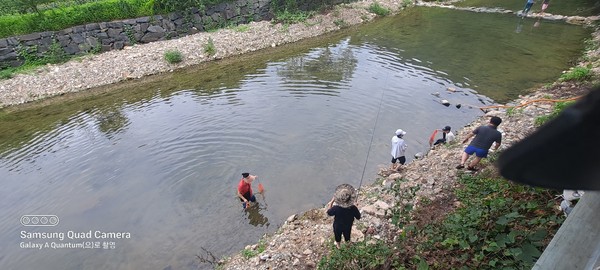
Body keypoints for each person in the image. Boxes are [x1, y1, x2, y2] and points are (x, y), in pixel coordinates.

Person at [326, 184, 361, 249]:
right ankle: (347, 247)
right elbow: (358, 217)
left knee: (337, 236)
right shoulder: (353, 208)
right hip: (348, 226)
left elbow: (328, 213)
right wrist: (356, 207)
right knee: (347, 236)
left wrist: (331, 202)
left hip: (337, 226)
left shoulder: (336, 208)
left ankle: (338, 246)